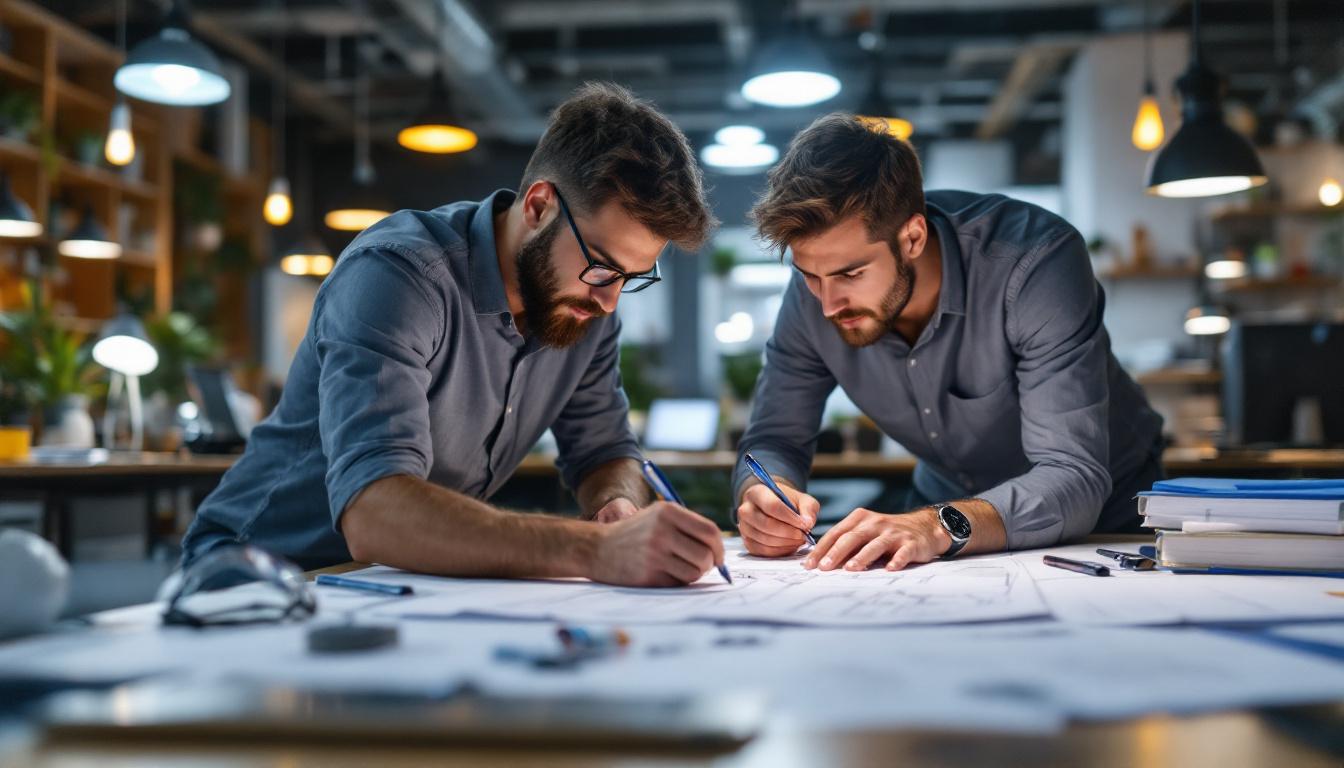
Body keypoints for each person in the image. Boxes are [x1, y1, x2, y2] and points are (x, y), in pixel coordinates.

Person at [182, 83, 725, 587]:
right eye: (603, 267)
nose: (609, 300)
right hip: (258, 572)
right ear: (539, 207)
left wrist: (617, 507)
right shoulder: (399, 276)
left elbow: (605, 451)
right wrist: (594, 549)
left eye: (632, 279)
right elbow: (374, 511)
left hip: (397, 580)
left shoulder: (584, 309)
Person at [734, 113, 1164, 572]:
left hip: (1104, 520)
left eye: (851, 274)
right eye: (810, 277)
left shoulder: (1034, 265)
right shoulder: (816, 295)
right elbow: (775, 437)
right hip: (942, 517)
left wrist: (936, 527)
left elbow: (1072, 474)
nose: (827, 305)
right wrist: (764, 494)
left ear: (913, 237)